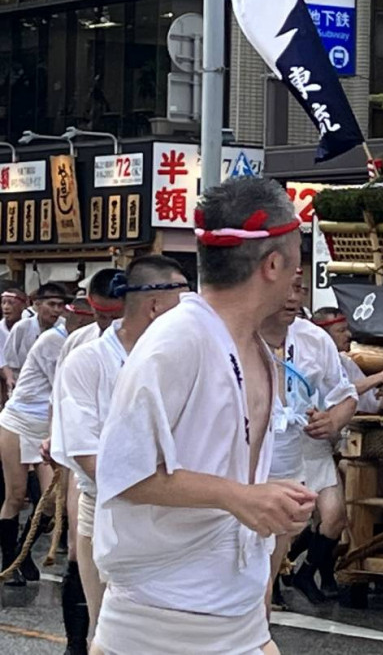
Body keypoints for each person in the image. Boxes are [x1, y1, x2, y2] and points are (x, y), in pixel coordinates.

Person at [91, 176, 317, 655]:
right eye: (298, 257)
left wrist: (267, 503)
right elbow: (120, 472)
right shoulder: (177, 339)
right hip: (158, 619)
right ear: (274, 265)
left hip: (236, 613)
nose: (301, 272)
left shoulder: (257, 346)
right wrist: (240, 497)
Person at [51, 256, 189, 653]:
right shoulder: (86, 359)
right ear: (154, 305)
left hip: (175, 511)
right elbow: (88, 456)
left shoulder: (179, 358)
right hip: (110, 505)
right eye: (183, 297)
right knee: (109, 632)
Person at [261, 273, 358, 608]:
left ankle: (293, 580)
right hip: (245, 458)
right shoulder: (232, 332)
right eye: (285, 287)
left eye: (298, 289)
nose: (292, 297)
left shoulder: (314, 339)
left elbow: (346, 395)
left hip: (302, 448)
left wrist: (333, 420)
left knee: (319, 519)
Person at [0, 292, 93, 586]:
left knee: (52, 504)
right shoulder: (54, 340)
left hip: (49, 426)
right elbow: (66, 390)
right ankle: (10, 562)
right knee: (15, 495)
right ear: (74, 315)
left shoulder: (87, 339)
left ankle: (20, 551)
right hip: (20, 419)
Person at [1, 282, 67, 395]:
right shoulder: (22, 327)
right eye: (51, 304)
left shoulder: (65, 327)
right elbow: (10, 363)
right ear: (38, 304)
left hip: (55, 389)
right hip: (25, 389)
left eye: (60, 305)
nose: (56, 310)